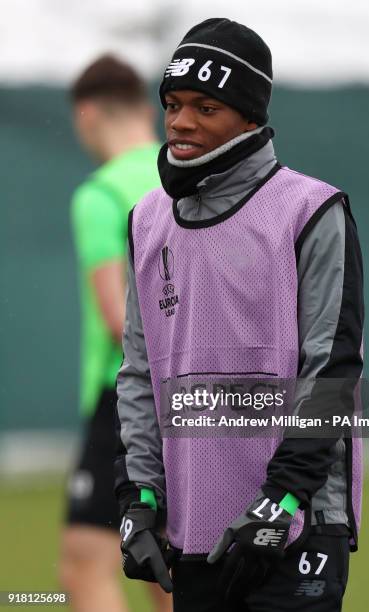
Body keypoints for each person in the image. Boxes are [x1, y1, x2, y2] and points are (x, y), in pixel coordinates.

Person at [114, 18, 364, 612]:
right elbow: (140, 378)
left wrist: (282, 500)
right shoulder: (145, 221)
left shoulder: (311, 209)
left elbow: (332, 373)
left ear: (250, 117)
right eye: (173, 103)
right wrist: (138, 499)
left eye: (206, 107)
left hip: (294, 529)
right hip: (195, 535)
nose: (180, 122)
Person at [59, 54, 172, 612]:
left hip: (123, 400)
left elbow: (116, 315)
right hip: (189, 394)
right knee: (167, 565)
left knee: (84, 565)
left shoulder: (100, 195)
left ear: (86, 114)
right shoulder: (185, 173)